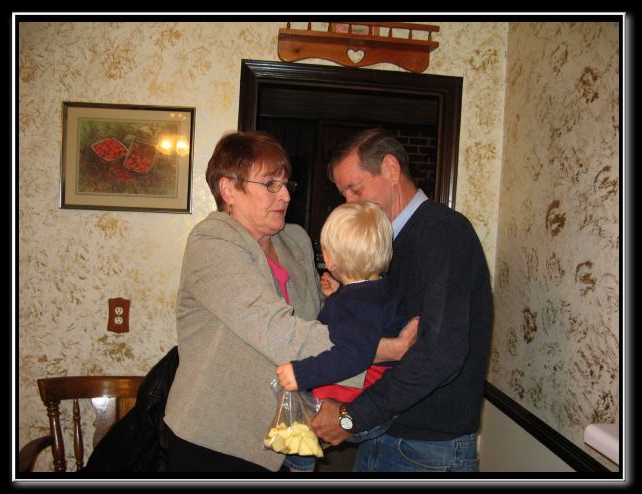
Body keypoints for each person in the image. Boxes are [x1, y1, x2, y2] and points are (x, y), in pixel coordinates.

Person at [162, 130, 418, 473]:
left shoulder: (294, 240)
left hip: (289, 433)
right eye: (270, 184)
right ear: (228, 189)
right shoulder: (212, 242)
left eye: (285, 184)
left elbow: (319, 322)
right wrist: (383, 349)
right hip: (218, 436)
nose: (284, 195)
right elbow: (278, 332)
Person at [311, 128, 493, 473]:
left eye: (356, 189)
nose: (350, 203)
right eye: (343, 193)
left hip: (427, 448)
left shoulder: (443, 232)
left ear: (391, 170)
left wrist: (352, 416)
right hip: (386, 431)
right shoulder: (384, 242)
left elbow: (440, 353)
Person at [275, 200, 408, 472]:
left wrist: (302, 373)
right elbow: (365, 321)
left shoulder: (356, 304)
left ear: (329, 258)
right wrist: (339, 295)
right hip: (382, 395)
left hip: (361, 399)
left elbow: (353, 355)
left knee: (299, 418)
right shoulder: (376, 290)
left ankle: (296, 466)